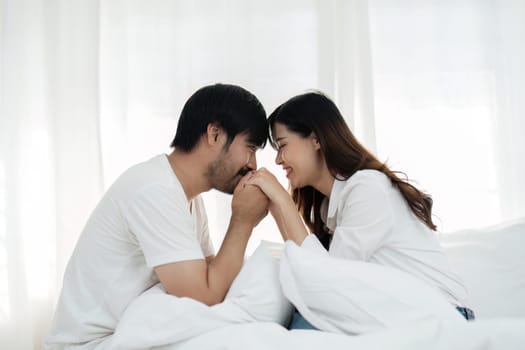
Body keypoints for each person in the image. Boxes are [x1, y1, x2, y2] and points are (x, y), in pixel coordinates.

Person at [45, 84, 270, 349]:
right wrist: (243, 220)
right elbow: (204, 297)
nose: (253, 164)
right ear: (215, 134)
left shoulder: (186, 197)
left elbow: (214, 276)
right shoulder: (154, 191)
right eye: (251, 148)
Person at [246, 91, 474, 329]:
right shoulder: (330, 206)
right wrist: (276, 205)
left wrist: (282, 199)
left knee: (306, 323)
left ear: (316, 140)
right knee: (300, 318)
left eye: (282, 146)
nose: (278, 160)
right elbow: (312, 274)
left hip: (446, 315)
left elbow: (329, 282)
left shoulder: (367, 188)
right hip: (402, 313)